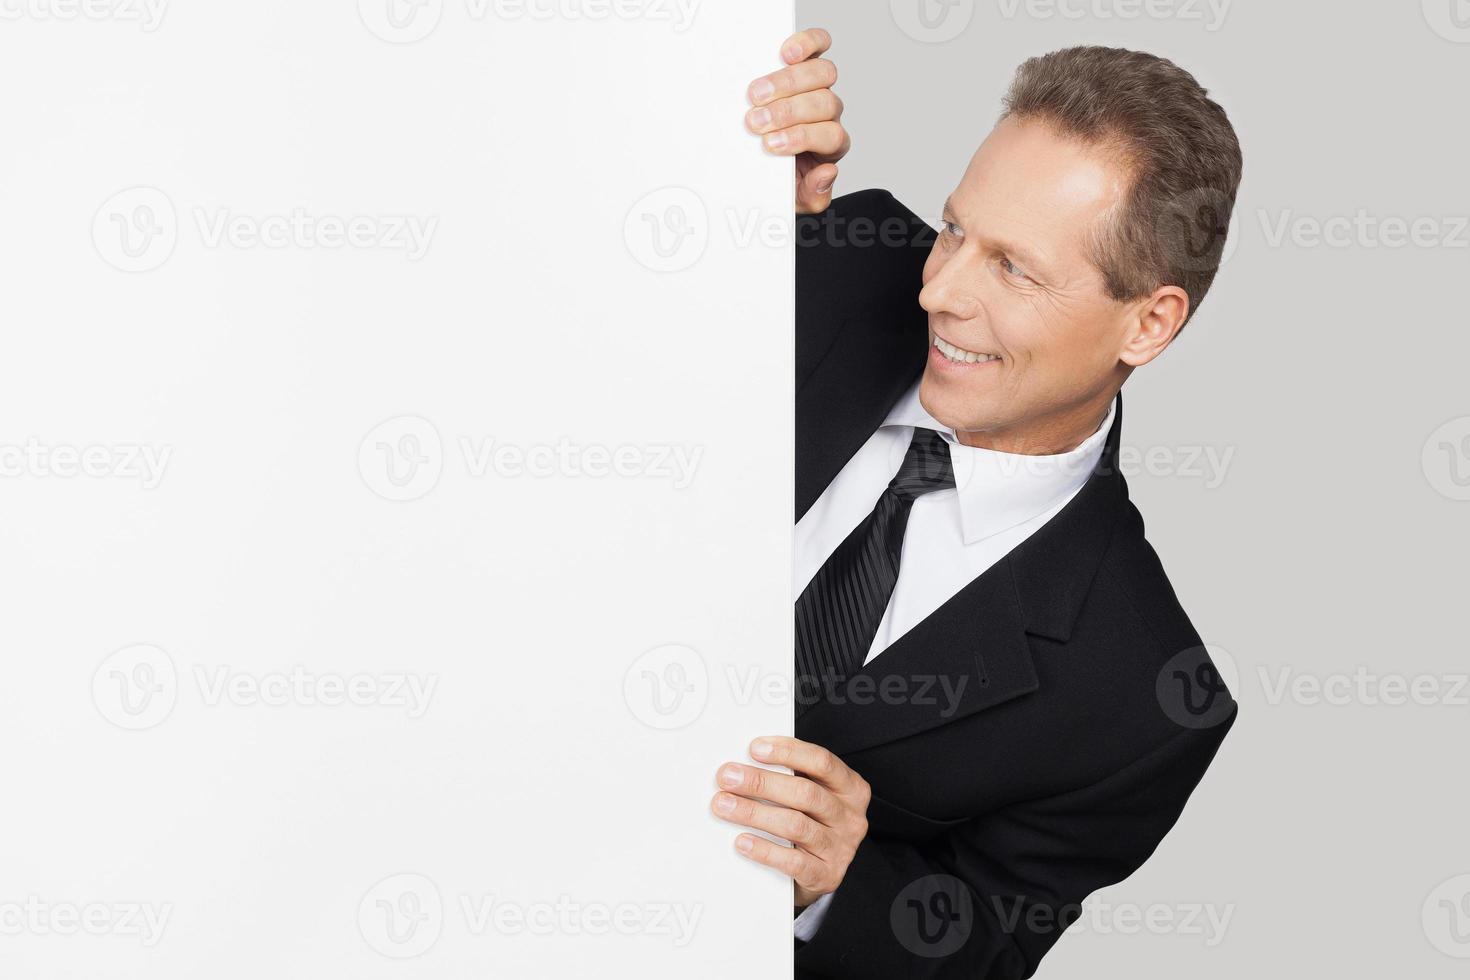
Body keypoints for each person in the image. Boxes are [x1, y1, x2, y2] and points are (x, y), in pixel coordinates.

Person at [712, 29, 1243, 978]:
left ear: (1150, 321)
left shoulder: (1144, 699)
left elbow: (982, 953)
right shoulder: (827, 257)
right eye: (956, 229)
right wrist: (725, 199)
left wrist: (838, 882)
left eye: (1014, 268)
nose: (941, 289)